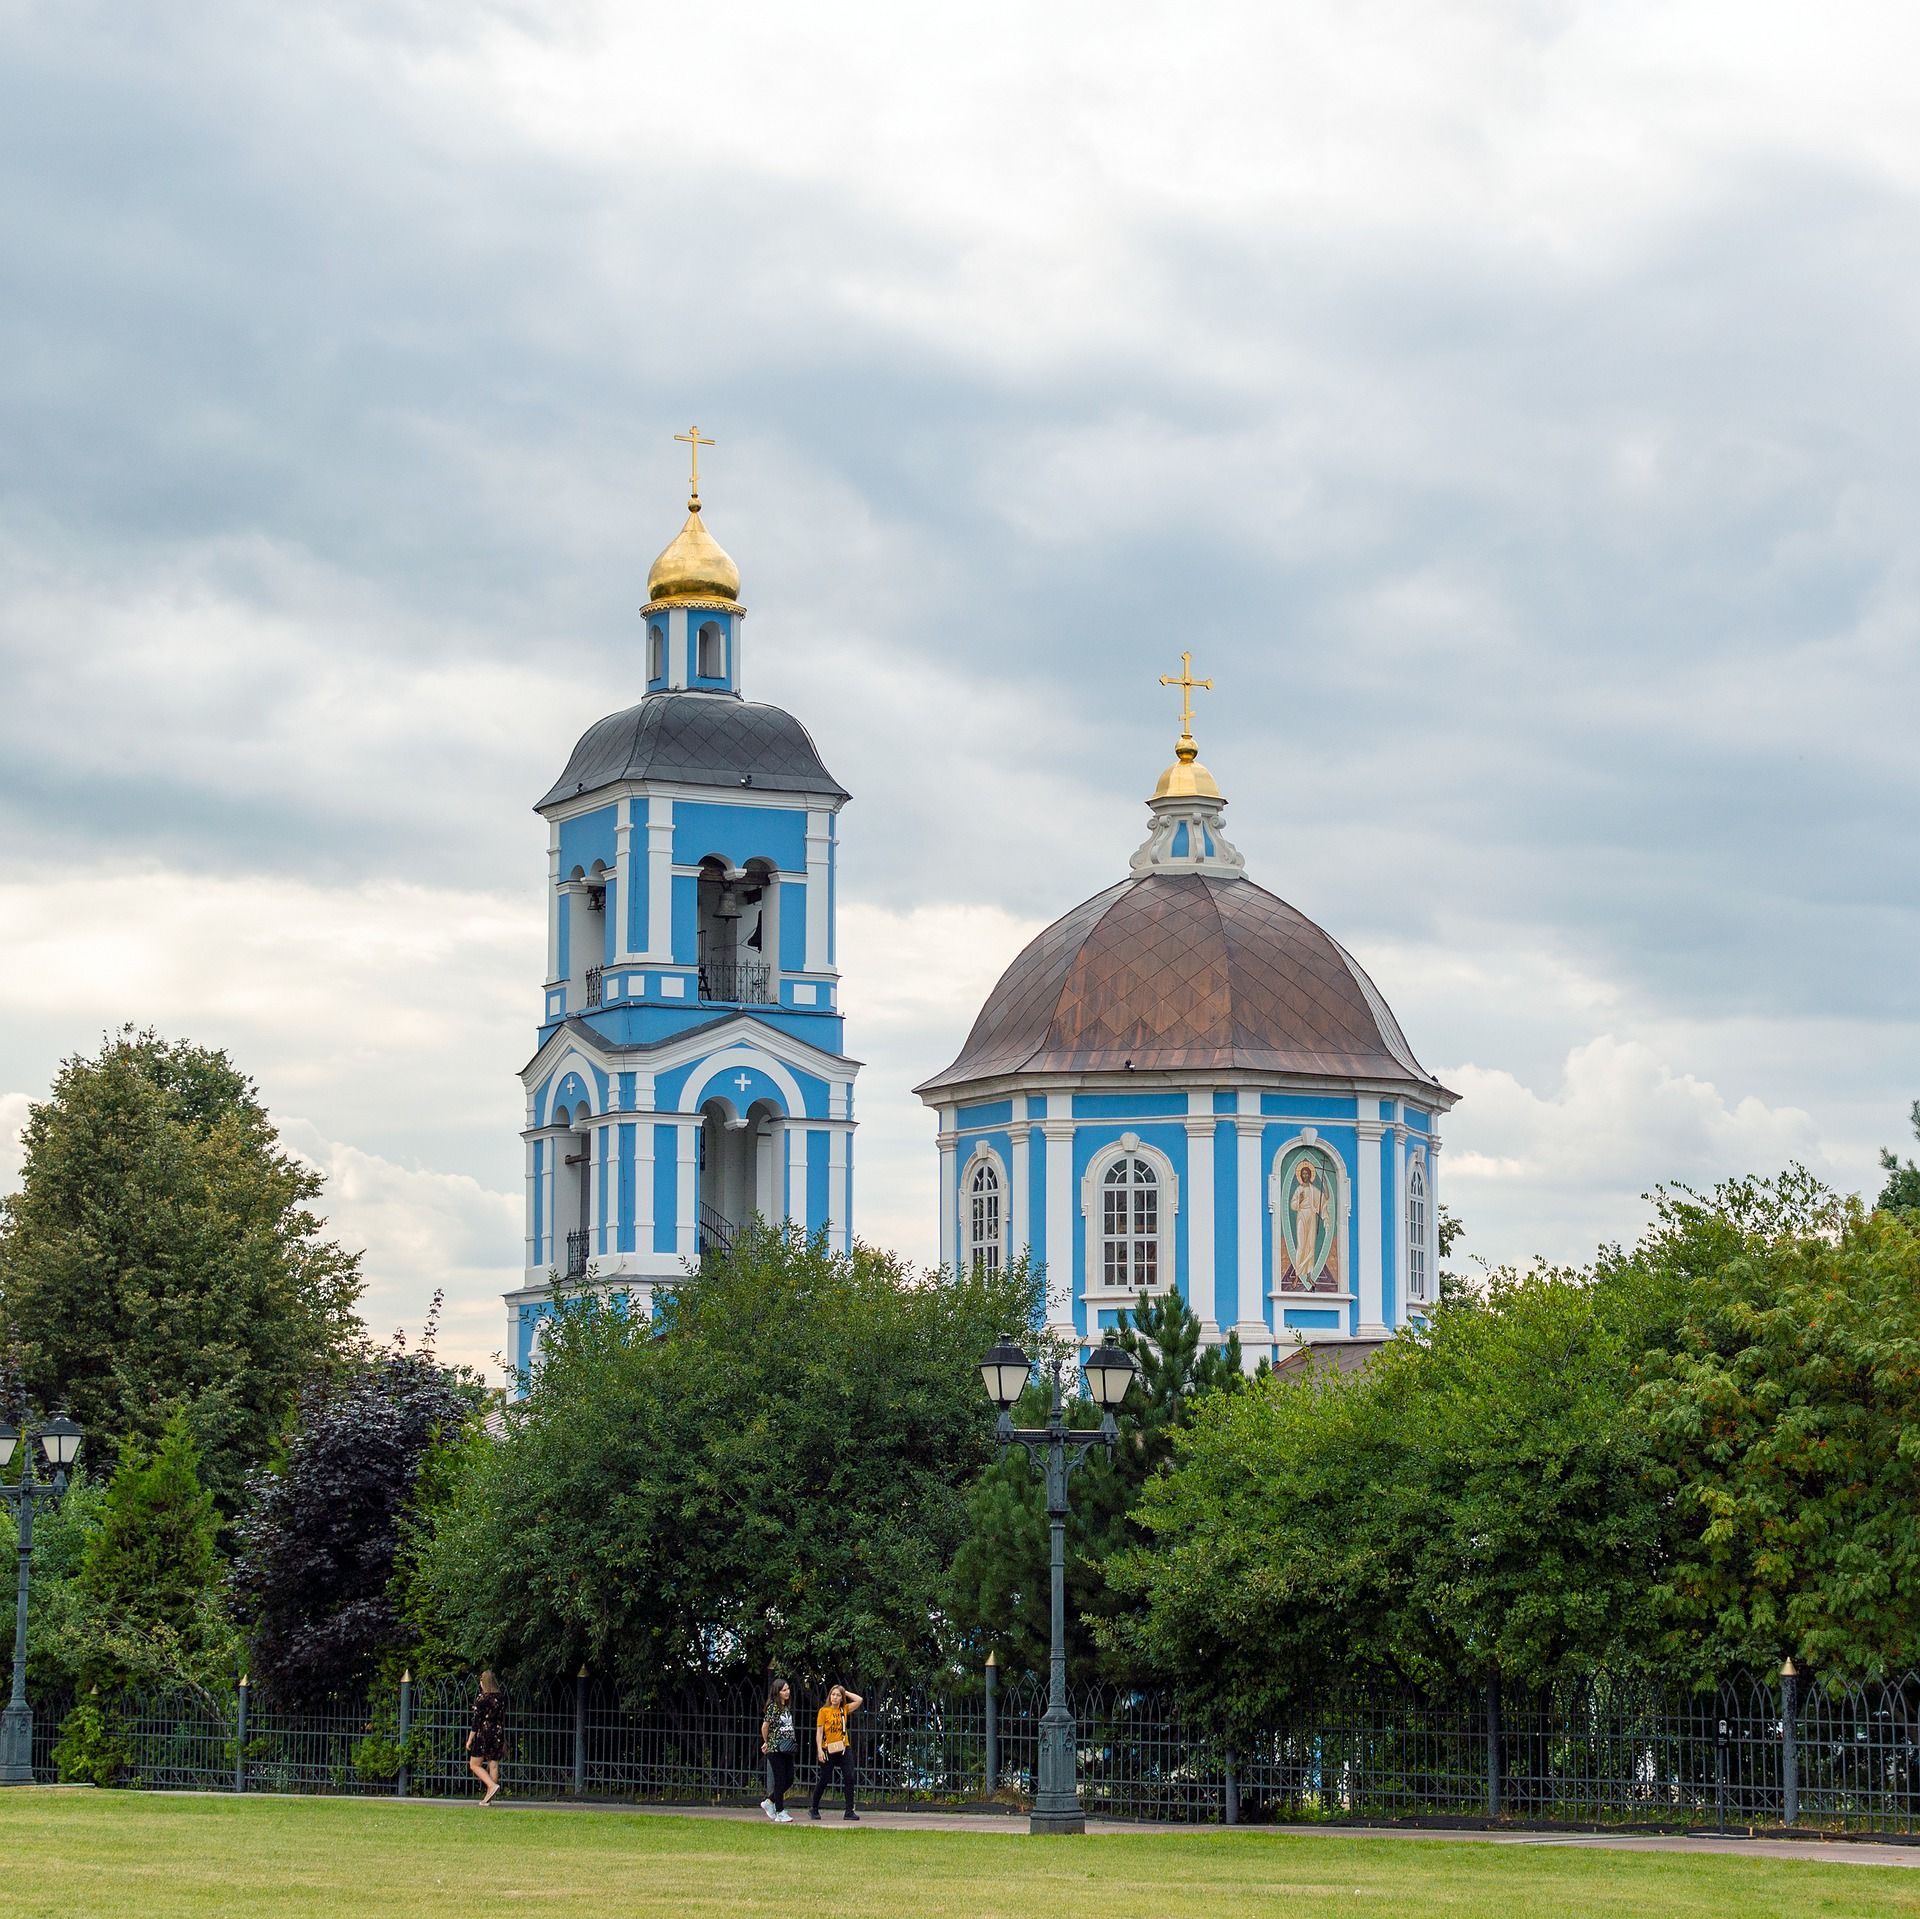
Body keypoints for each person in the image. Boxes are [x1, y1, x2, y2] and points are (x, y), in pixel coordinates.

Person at [808, 1681, 863, 1821]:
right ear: (829, 1696)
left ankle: (849, 1810)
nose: (835, 1697)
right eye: (833, 1694)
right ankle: (814, 1808)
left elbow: (859, 1700)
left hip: (844, 1748)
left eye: (838, 1695)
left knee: (849, 1777)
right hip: (828, 1748)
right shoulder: (824, 1711)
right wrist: (819, 1749)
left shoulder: (843, 1709)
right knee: (825, 1778)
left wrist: (845, 1691)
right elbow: (819, 1732)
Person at [759, 1677, 797, 1822]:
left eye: (788, 1689)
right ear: (777, 1692)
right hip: (776, 1748)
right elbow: (765, 1726)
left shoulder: (785, 1707)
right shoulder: (773, 1707)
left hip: (787, 1747)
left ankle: (770, 1801)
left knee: (789, 1778)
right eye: (784, 1690)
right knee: (780, 1779)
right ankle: (779, 1811)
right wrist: (767, 1741)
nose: (787, 1692)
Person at [465, 1670, 506, 1804]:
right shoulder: (501, 1698)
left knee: (474, 1764)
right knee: (493, 1763)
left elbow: (476, 1721)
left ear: (483, 1682)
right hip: (498, 1732)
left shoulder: (482, 1699)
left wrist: (470, 1738)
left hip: (485, 1732)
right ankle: (489, 1797)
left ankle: (491, 1786)